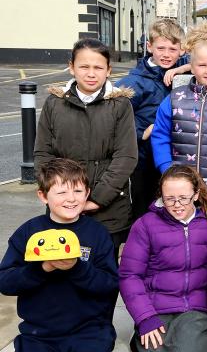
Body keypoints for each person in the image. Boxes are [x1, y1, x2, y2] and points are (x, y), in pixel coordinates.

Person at [0, 159, 118, 352]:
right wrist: (41, 269)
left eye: (78, 191)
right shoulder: (28, 233)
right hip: (40, 334)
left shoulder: (98, 234)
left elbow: (109, 284)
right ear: (43, 195)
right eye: (61, 191)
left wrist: (77, 268)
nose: (71, 198)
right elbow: (5, 282)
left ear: (87, 193)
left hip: (87, 331)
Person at [119, 165, 207, 352]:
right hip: (157, 308)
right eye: (169, 199)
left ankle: (167, 347)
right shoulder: (145, 225)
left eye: (183, 198)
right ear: (161, 196)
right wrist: (145, 317)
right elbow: (129, 275)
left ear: (196, 195)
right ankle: (140, 340)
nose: (177, 206)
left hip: (195, 308)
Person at [34, 38, 138, 256]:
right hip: (63, 206)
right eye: (84, 66)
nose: (91, 73)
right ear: (72, 67)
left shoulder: (120, 105)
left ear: (108, 70)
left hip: (108, 210)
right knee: (61, 269)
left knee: (103, 275)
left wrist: (96, 199)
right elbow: (43, 153)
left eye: (98, 67)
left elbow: (126, 156)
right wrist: (59, 194)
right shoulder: (55, 104)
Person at [150, 23, 207, 208]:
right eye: (202, 65)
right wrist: (168, 169)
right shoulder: (175, 98)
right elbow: (160, 136)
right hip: (179, 189)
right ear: (191, 66)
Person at [117, 18, 190, 221]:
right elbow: (114, 117)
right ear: (149, 46)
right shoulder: (134, 82)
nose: (166, 54)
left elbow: (206, 61)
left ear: (182, 50)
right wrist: (141, 132)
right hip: (145, 160)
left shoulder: (183, 70)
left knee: (173, 208)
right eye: (161, 48)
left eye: (173, 49)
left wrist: (180, 70)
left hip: (175, 156)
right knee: (146, 210)